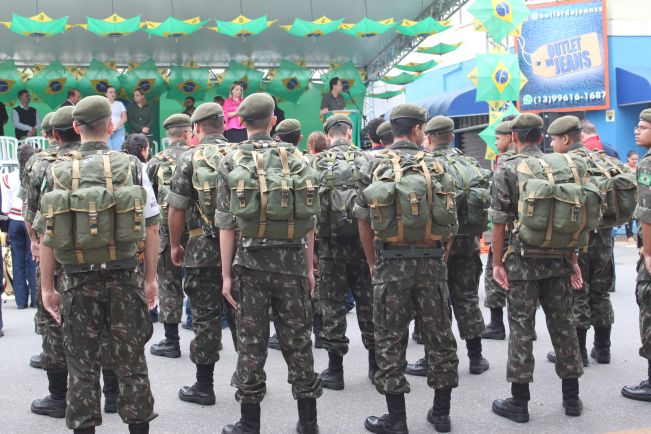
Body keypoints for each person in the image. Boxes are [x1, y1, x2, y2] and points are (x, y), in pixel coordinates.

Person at [39, 95, 159, 433]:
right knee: (132, 363)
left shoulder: (57, 170)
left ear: (76, 127)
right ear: (110, 125)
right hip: (124, 278)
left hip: (76, 282)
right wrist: (151, 279)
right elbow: (152, 227)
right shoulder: (133, 166)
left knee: (82, 367)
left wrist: (47, 288)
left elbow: (47, 235)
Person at [216, 93, 322, 434]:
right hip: (292, 263)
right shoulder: (298, 157)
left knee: (251, 344)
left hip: (250, 265)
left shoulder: (230, 160)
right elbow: (309, 219)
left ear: (241, 122)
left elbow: (226, 224)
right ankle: (308, 422)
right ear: (274, 120)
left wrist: (226, 274)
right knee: (299, 342)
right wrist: (308, 267)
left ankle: (250, 423)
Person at [355, 104, 459, 433]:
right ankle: (441, 414)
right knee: (440, 337)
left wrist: (372, 262)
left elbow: (363, 221)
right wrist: (440, 257)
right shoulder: (439, 165)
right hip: (432, 262)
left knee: (389, 338)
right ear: (417, 130)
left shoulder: (372, 164)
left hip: (390, 263)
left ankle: (396, 418)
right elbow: (451, 221)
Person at [24, 105, 121, 420]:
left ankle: (59, 397)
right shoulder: (105, 161)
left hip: (58, 253)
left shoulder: (42, 164)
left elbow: (32, 214)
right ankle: (113, 395)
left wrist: (35, 243)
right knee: (105, 323)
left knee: (54, 322)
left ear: (54, 133)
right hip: (102, 254)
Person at [489, 113, 584, 423]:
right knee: (564, 325)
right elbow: (573, 219)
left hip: (522, 261)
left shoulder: (506, 169)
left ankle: (519, 402)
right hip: (558, 258)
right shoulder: (562, 165)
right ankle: (572, 398)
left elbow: (499, 221)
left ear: (514, 138)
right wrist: (573, 261)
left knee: (521, 328)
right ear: (542, 137)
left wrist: (497, 263)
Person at [406, 115, 489, 378]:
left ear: (428, 137)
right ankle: (476, 357)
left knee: (433, 302)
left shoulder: (424, 164)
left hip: (436, 244)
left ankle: (432, 358)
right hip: (468, 241)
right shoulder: (470, 163)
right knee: (467, 297)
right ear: (452, 136)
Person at [167, 102, 236, 406]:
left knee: (205, 318)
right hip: (241, 250)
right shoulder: (241, 154)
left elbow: (176, 207)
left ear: (195, 128)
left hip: (202, 249)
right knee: (244, 315)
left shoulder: (189, 158)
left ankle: (204, 386)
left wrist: (175, 245)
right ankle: (249, 379)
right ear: (224, 125)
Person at [543, 116, 617, 369]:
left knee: (577, 292)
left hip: (576, 238)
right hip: (604, 236)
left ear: (565, 139)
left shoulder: (563, 165)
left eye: (554, 140)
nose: (552, 145)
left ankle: (579, 352)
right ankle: (603, 348)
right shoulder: (601, 159)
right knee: (600, 290)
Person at [311, 114, 376, 391]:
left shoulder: (316, 163)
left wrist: (313, 251)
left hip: (330, 247)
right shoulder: (369, 160)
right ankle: (376, 366)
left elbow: (309, 210)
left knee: (332, 305)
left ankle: (335, 371)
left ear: (328, 137)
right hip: (365, 245)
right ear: (350, 134)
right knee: (369, 303)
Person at [147, 114, 192, 359]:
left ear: (168, 135)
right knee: (201, 285)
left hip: (165, 232)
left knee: (168, 284)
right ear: (187, 133)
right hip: (196, 232)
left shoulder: (156, 161)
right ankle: (207, 337)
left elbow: (148, 201)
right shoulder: (197, 157)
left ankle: (171, 341)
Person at [621, 108, 651, 402]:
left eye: (643, 126)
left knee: (649, 308)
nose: (636, 130)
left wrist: (648, 253)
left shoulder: (647, 164)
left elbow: (646, 214)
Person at [483, 120, 515, 341]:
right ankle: (528, 326)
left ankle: (496, 324)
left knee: (493, 273)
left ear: (511, 137)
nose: (495, 142)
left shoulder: (504, 163)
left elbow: (498, 210)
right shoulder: (537, 161)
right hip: (527, 232)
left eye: (498, 138)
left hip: (506, 229)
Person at [2, 143, 37, 308]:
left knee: (17, 261)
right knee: (33, 259)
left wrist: (5, 230)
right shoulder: (36, 174)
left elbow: (5, 208)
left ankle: (21, 301)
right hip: (31, 220)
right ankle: (36, 300)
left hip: (14, 222)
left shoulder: (6, 178)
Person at [106, 85, 127, 151]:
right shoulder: (103, 104)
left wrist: (116, 127)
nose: (112, 94)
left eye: (114, 92)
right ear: (106, 94)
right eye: (110, 92)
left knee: (118, 151)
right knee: (108, 151)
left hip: (119, 131)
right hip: (106, 131)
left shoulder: (119, 104)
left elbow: (124, 118)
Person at [626, 150, 640, 242]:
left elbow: (645, 181)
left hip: (638, 195)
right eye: (632, 159)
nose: (635, 161)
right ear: (628, 158)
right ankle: (629, 235)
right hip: (628, 195)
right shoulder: (623, 168)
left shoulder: (640, 167)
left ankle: (640, 235)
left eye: (636, 159)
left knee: (639, 215)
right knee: (629, 216)